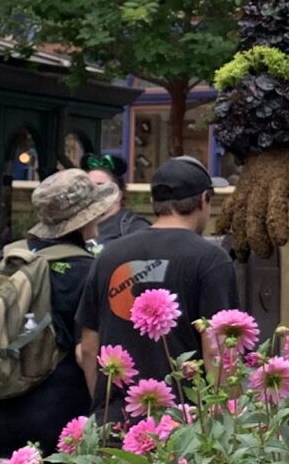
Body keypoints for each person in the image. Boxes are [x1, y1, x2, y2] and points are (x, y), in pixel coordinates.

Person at [0, 170, 114, 459]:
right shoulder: (87, 272)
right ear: (89, 218)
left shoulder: (4, 259)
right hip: (55, 428)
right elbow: (87, 352)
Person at [77, 156, 238, 421]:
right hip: (185, 428)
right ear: (204, 200)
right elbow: (217, 349)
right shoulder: (211, 259)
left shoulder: (109, 256)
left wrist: (103, 410)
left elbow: (88, 347)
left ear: (154, 203)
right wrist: (224, 425)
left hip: (117, 425)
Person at [81, 152, 152, 244]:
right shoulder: (75, 227)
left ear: (118, 195)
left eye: (101, 186)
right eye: (89, 186)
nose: (94, 192)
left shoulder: (135, 228)